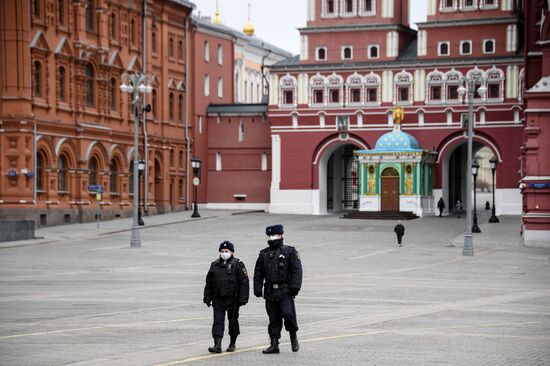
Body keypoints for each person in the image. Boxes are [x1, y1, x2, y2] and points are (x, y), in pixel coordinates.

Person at [254, 224, 302, 354]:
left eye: (274, 235)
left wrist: (295, 287)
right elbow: (258, 272)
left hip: (285, 290)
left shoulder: (289, 251)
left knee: (288, 314)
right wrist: (257, 288)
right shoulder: (264, 254)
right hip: (270, 291)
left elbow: (297, 270)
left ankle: (293, 336)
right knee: (273, 318)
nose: (272, 238)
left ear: (281, 235)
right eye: (270, 236)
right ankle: (274, 343)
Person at [203, 241, 249, 353]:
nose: (224, 253)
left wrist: (243, 298)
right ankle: (217, 344)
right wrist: (207, 297)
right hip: (218, 298)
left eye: (226, 251)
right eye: (222, 251)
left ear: (232, 252)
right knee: (218, 321)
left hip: (232, 299)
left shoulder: (238, 264)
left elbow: (244, 282)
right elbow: (209, 282)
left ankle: (232, 343)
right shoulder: (214, 264)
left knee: (232, 321)